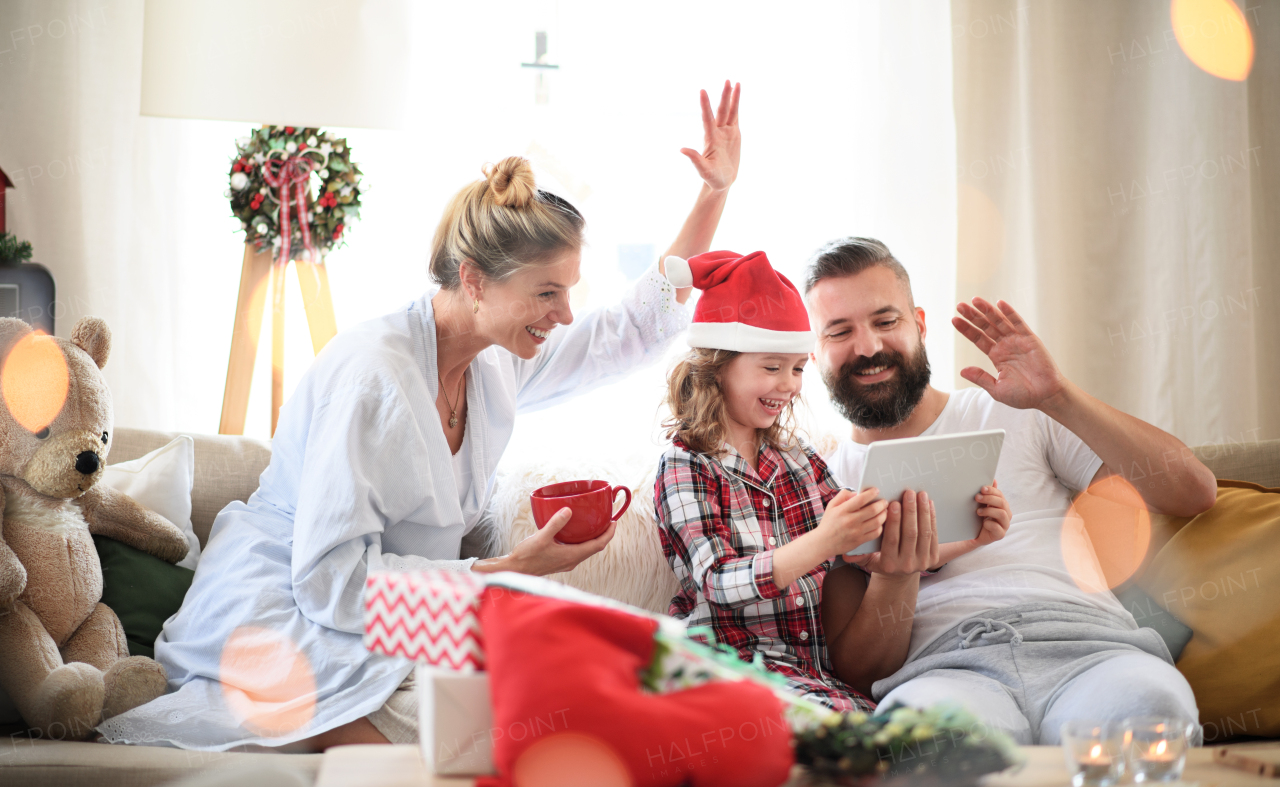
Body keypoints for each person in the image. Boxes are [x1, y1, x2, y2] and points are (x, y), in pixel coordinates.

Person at [97, 82, 745, 752]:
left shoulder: (497, 355)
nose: (566, 313)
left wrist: (713, 194)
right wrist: (508, 571)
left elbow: (625, 334)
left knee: (592, 669)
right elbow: (331, 584)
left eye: (569, 290)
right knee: (504, 723)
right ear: (473, 279)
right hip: (297, 612)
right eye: (547, 292)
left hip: (417, 609)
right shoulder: (373, 382)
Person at [805, 237, 1217, 744]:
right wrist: (899, 574)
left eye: (886, 321)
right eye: (839, 331)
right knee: (921, 746)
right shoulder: (816, 479)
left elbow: (1193, 492)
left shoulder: (1014, 410)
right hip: (946, 671)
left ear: (920, 325)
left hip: (1089, 649)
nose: (867, 346)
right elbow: (862, 673)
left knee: (1151, 711)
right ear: (815, 352)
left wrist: (1058, 397)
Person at [652, 250, 989, 710]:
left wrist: (967, 534)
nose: (789, 386)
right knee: (842, 735)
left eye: (796, 369)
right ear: (716, 366)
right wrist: (824, 541)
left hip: (810, 671)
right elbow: (718, 582)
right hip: (728, 663)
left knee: (888, 728)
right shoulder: (685, 465)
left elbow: (866, 547)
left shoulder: (799, 461)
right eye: (771, 368)